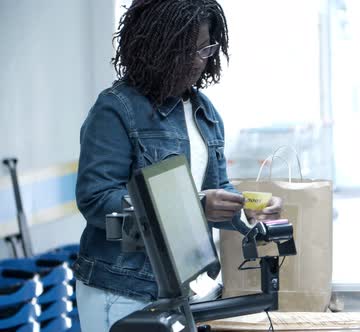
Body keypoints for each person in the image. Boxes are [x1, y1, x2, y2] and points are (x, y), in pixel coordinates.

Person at [73, 0, 282, 331]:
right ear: (154, 48)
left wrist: (244, 210)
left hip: (181, 288)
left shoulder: (204, 112)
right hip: (123, 289)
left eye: (205, 49)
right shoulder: (116, 110)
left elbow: (216, 188)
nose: (197, 62)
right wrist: (196, 207)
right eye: (184, 51)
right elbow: (97, 202)